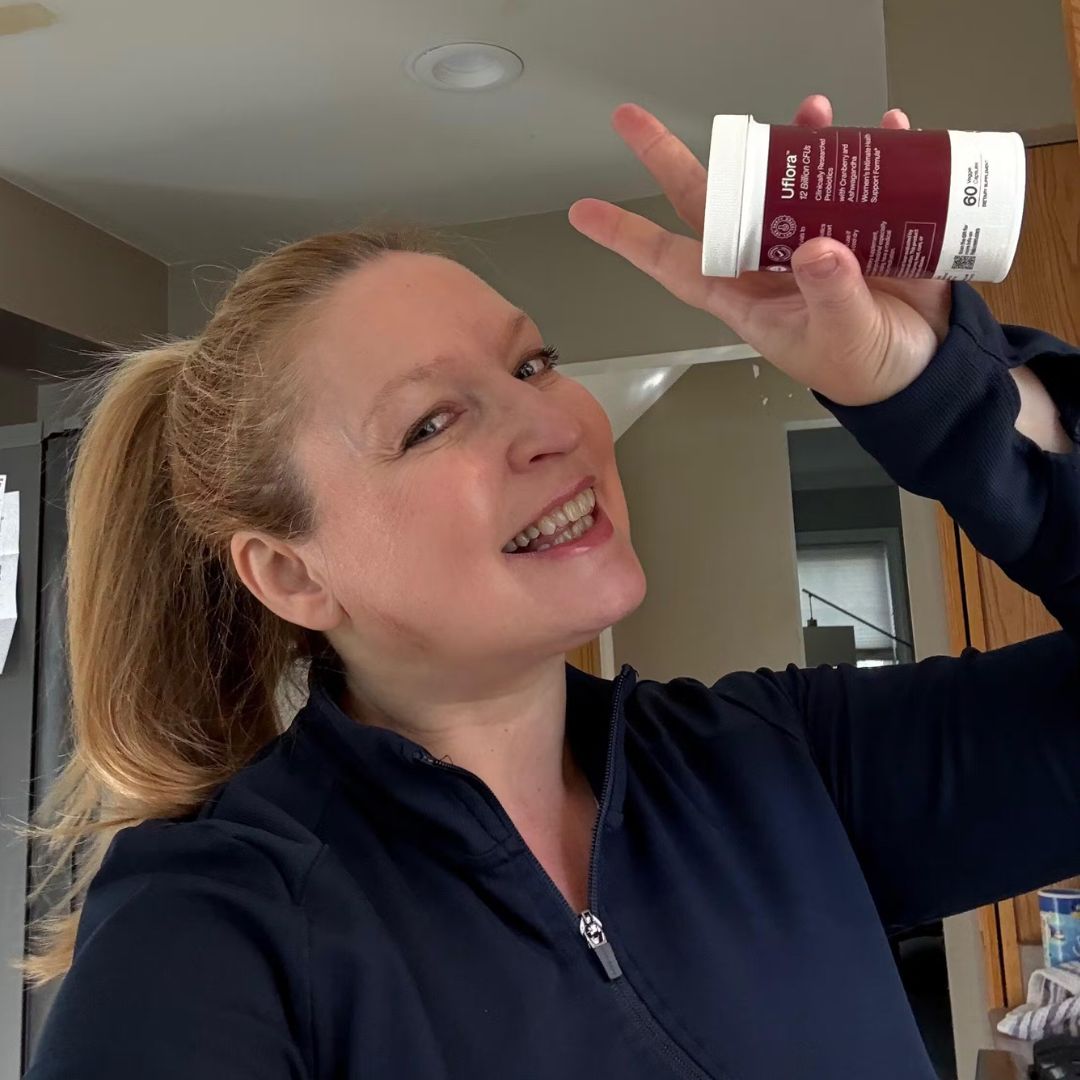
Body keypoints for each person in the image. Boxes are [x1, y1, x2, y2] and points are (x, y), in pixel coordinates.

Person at [18, 94, 1080, 1080]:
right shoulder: (207, 933)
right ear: (291, 573)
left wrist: (946, 395)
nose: (552, 424)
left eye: (532, 365)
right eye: (432, 422)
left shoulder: (778, 765)